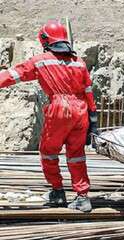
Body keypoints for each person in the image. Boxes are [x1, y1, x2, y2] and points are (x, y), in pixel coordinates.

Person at [0, 20, 98, 212]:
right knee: (77, 155)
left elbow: (13, 75)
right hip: (81, 110)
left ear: (45, 40)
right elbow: (88, 92)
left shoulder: (42, 60)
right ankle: (82, 197)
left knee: (48, 151)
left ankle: (57, 191)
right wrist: (92, 121)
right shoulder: (79, 63)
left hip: (60, 109)